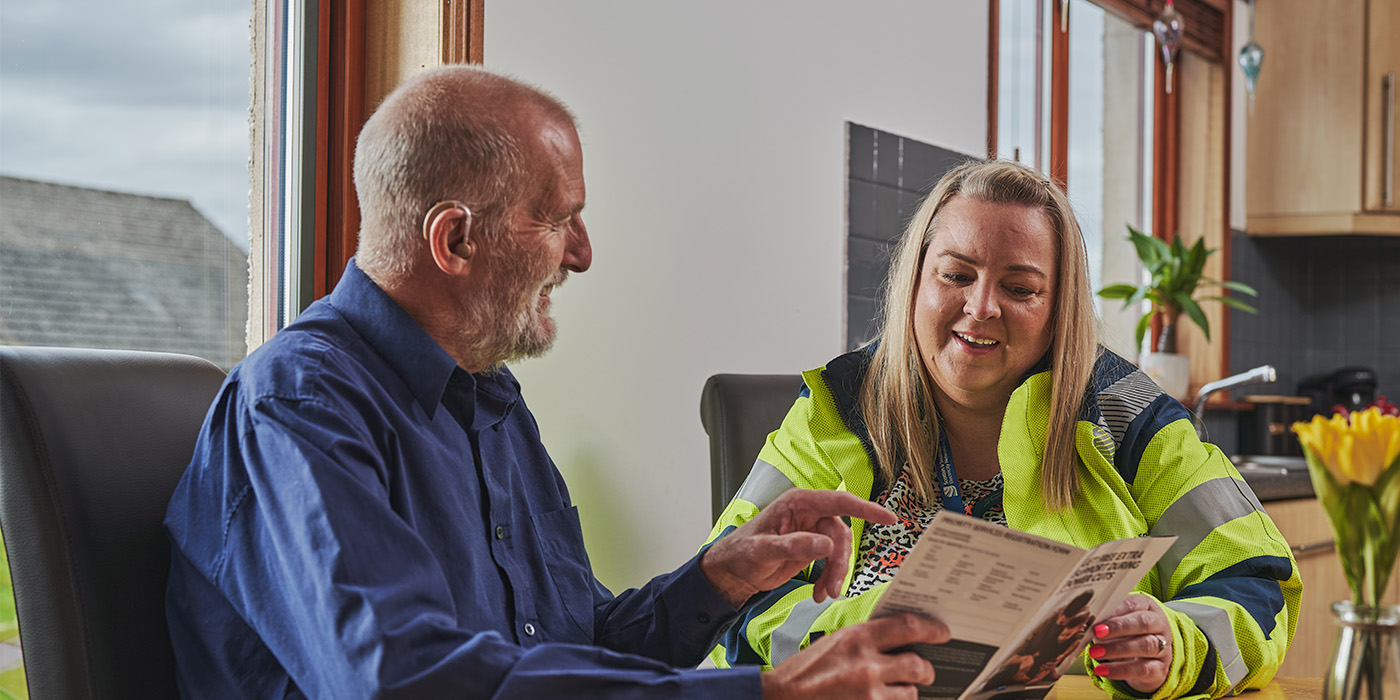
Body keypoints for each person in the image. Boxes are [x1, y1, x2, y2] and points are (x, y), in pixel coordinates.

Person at [163, 65, 951, 699]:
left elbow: (572, 645)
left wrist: (718, 577)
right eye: (558, 218)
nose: (581, 253)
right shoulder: (297, 406)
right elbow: (401, 679)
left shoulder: (491, 402)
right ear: (456, 239)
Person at [703, 160, 1302, 698]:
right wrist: (863, 635)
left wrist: (1172, 645)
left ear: (1057, 311)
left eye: (1019, 289)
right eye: (956, 276)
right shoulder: (836, 409)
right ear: (916, 280)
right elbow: (722, 594)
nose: (982, 306)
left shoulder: (1128, 414)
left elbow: (1259, 582)